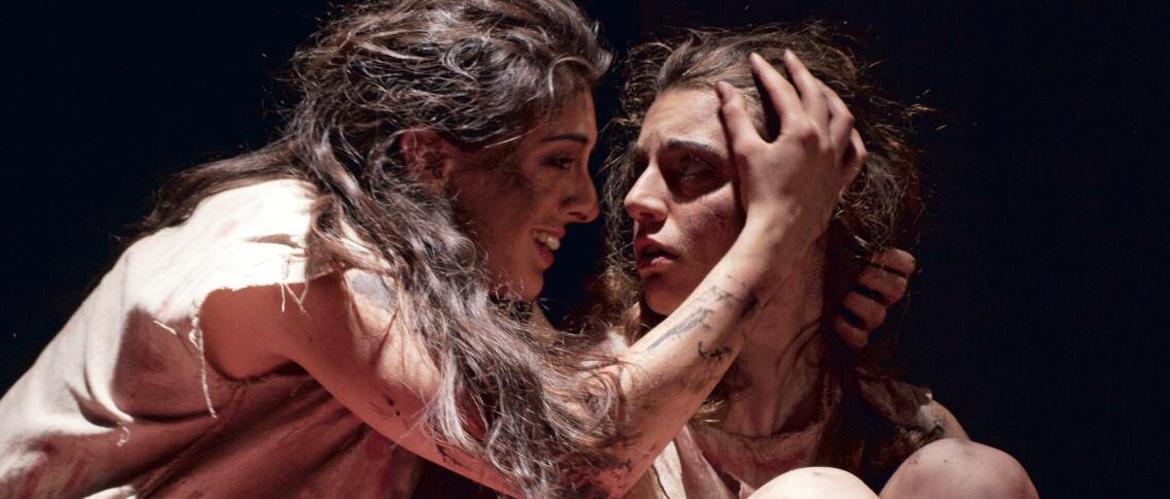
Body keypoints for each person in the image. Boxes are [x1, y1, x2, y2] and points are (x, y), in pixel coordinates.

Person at [0, 3, 877, 497]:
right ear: (427, 159)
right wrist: (777, 232)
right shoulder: (296, 254)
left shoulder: (430, 283)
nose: (590, 205)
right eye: (558, 162)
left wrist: (813, 306)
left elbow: (580, 413)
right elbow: (577, 457)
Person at [597, 23, 1040, 498]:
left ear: (814, 195)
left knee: (971, 475)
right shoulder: (601, 389)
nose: (636, 199)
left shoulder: (894, 422)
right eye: (640, 169)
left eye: (692, 168)